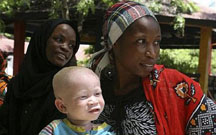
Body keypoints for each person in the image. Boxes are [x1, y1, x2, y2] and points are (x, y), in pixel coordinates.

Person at [88, 1, 216, 135]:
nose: (152, 53)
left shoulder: (178, 88)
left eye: (156, 42)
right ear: (115, 43)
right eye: (141, 41)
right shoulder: (92, 88)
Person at [0, 19, 80, 135]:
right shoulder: (17, 84)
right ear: (42, 40)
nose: (65, 48)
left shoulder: (69, 89)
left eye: (72, 45)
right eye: (59, 40)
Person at [39, 66, 115, 135]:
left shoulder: (107, 131)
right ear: (62, 106)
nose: (94, 101)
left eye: (97, 94)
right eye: (83, 97)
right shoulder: (54, 129)